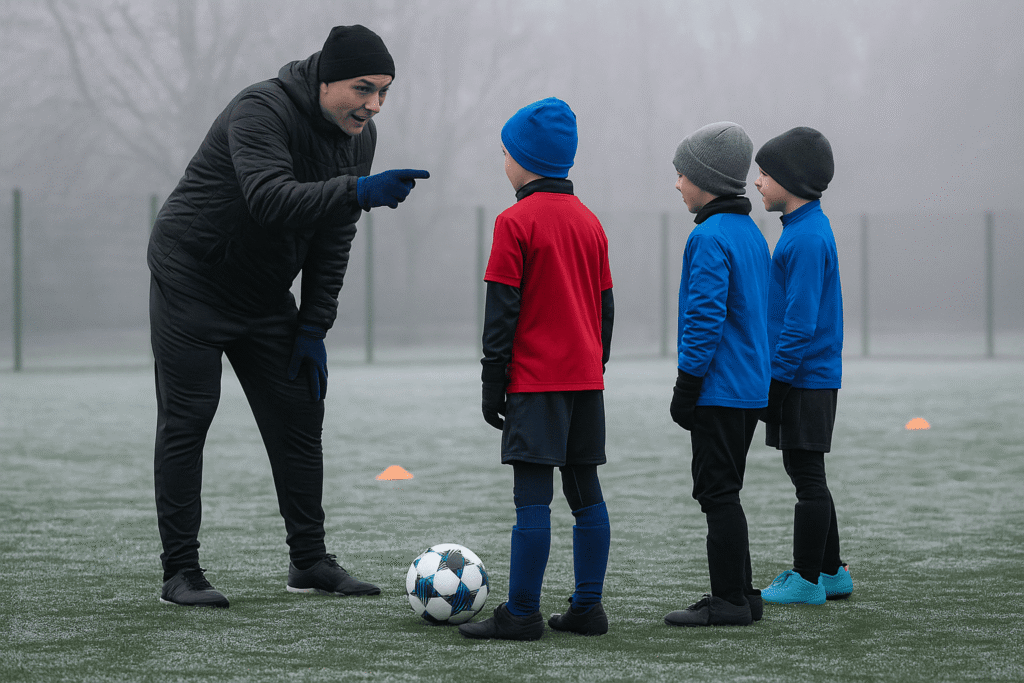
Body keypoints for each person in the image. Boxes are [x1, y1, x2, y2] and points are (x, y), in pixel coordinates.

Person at [148, 24, 429, 608]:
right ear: (325, 80)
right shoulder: (260, 110)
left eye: (384, 92)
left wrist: (314, 325)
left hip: (263, 295)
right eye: (363, 88)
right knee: (189, 419)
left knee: (300, 415)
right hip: (193, 278)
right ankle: (181, 572)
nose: (374, 105)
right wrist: (357, 191)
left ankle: (309, 561)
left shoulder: (360, 137)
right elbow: (269, 198)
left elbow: (334, 236)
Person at [458, 98, 614, 641]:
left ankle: (522, 612)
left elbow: (502, 310)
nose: (503, 161)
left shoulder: (514, 222)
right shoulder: (590, 222)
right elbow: (605, 307)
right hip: (585, 382)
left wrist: (492, 381)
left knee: (532, 501)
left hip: (535, 383)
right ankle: (588, 608)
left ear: (524, 159)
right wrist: (593, 364)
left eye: (506, 152)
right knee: (586, 493)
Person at [665, 122, 771, 627]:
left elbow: (704, 319)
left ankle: (728, 601)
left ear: (705, 179)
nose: (678, 184)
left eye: (682, 174)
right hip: (748, 388)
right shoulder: (750, 233)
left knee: (717, 493)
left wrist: (686, 386)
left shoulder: (708, 236)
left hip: (719, 389)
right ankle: (744, 594)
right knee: (728, 489)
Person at [754, 127, 852, 605]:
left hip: (804, 378)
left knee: (807, 476)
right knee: (806, 470)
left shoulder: (807, 238)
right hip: (803, 376)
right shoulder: (801, 229)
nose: (757, 181)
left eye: (764, 173)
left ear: (789, 181)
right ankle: (831, 572)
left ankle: (806, 579)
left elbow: (799, 324)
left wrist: (775, 384)